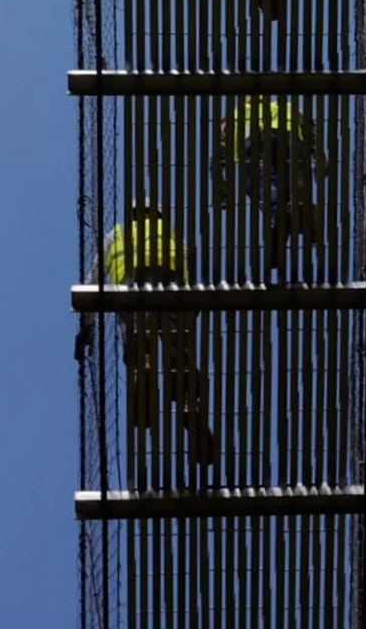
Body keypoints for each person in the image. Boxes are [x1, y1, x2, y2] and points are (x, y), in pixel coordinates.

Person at [74, 203, 215, 467]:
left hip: (131, 285)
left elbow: (94, 276)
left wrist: (87, 324)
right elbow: (188, 260)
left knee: (138, 335)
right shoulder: (170, 232)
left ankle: (144, 367)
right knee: (179, 353)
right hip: (172, 288)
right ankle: (188, 403)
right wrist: (190, 302)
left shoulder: (117, 233)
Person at [211, 96, 327, 271]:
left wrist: (222, 189)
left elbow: (220, 151)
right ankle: (300, 206)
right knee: (294, 177)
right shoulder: (288, 107)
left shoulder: (233, 115)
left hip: (254, 147)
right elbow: (311, 130)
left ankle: (280, 213)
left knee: (262, 186)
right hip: (291, 143)